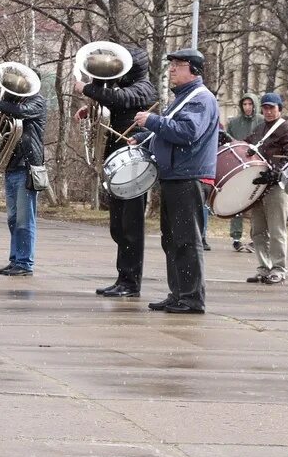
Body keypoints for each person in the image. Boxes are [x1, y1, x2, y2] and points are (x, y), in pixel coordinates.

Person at [135, 48, 220, 314]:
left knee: (187, 240)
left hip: (188, 177)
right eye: (171, 64)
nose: (172, 69)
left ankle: (192, 297)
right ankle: (179, 293)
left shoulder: (200, 99)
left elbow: (187, 132)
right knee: (171, 239)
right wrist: (143, 138)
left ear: (193, 70)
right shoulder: (184, 98)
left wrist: (153, 121)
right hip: (176, 176)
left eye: (178, 65)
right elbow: (172, 133)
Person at [72, 44, 156, 298]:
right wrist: (91, 108)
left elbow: (122, 100)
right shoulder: (121, 88)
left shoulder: (144, 87)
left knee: (131, 226)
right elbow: (112, 105)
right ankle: (123, 277)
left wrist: (87, 89)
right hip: (116, 163)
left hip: (133, 166)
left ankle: (131, 282)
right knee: (118, 226)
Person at [0, 69, 48, 276]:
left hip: (27, 166)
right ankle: (15, 259)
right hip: (11, 164)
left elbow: (21, 113)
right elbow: (4, 119)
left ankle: (25, 263)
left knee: (24, 219)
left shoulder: (37, 102)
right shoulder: (13, 102)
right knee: (12, 218)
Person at [242, 93, 288, 285]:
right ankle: (264, 267)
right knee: (257, 231)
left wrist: (275, 172)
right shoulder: (259, 129)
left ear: (280, 109)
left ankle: (279, 268)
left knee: (276, 230)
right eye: (265, 108)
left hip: (276, 186)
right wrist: (228, 140)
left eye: (272, 108)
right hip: (259, 186)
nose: (268, 111)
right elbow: (245, 147)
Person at [226, 93, 263, 252]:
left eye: (250, 104)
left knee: (257, 202)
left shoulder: (262, 121)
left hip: (258, 164)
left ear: (255, 105)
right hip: (238, 165)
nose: (247, 107)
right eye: (245, 104)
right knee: (237, 202)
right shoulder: (234, 123)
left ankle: (257, 236)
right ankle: (236, 236)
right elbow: (229, 142)